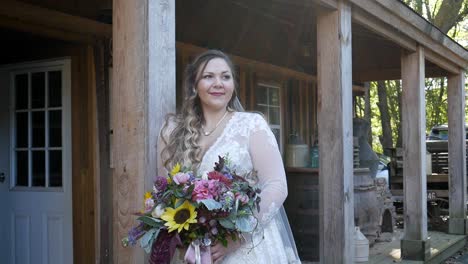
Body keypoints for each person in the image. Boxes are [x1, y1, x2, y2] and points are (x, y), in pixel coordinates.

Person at [157, 50, 300, 264]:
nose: (218, 83)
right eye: (208, 76)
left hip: (248, 248)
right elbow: (164, 193)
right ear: (194, 86)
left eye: (226, 76)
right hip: (192, 249)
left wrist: (238, 237)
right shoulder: (172, 131)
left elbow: (277, 185)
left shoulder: (251, 125)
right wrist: (185, 239)